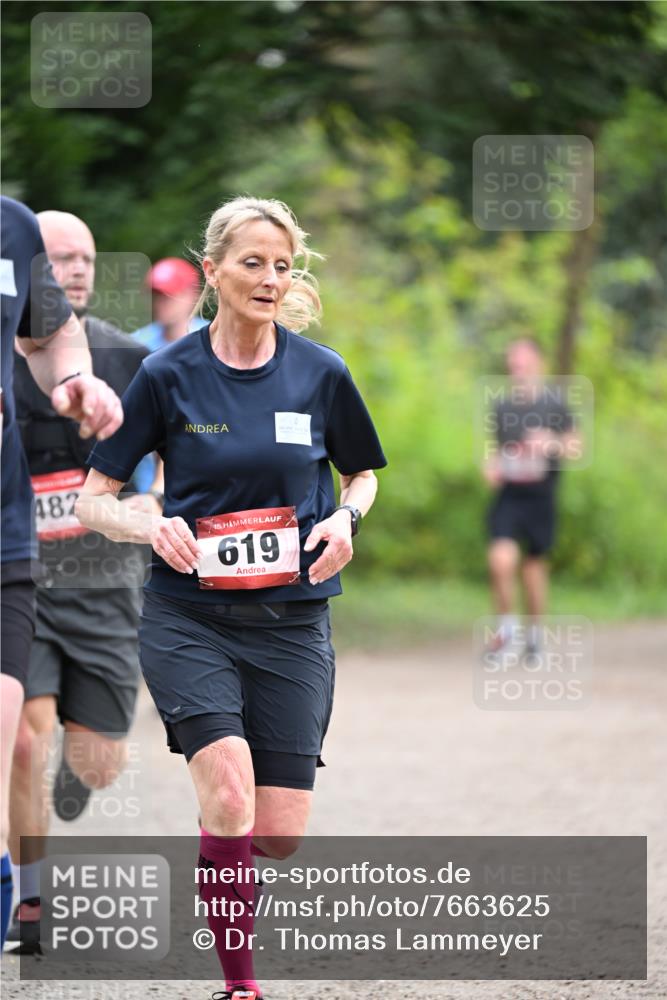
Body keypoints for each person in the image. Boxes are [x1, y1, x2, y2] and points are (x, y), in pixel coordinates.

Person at [77, 196, 387, 1000]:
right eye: (252, 263)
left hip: (291, 622)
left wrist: (348, 518)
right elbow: (93, 497)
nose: (270, 279)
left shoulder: (321, 373)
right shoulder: (167, 373)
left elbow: (362, 473)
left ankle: (223, 855)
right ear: (212, 271)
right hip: (190, 619)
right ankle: (239, 987)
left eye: (282, 266)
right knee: (227, 791)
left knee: (276, 834)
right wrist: (148, 526)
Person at [6, 211, 152, 954]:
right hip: (25, 580)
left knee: (95, 764)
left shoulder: (129, 362)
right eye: (61, 256)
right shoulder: (8, 352)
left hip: (105, 586)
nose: (78, 269)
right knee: (23, 745)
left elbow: (160, 487)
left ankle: (77, 772)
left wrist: (132, 512)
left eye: (88, 257)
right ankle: (32, 904)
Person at [483, 338, 580, 655]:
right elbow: (498, 451)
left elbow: (575, 448)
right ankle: (507, 631)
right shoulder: (502, 407)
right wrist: (493, 466)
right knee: (500, 559)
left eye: (523, 364)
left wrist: (550, 442)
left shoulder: (556, 403)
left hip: (541, 495)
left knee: (533, 569)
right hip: (510, 494)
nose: (517, 371)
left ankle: (535, 635)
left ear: (539, 363)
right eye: (513, 365)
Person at [131, 257, 206, 494]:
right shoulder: (135, 346)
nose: (162, 303)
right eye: (157, 294)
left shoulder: (216, 342)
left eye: (169, 294)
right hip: (148, 485)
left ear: (192, 294)